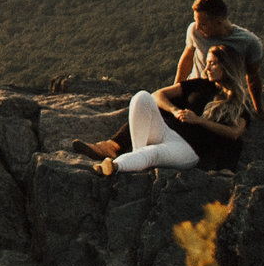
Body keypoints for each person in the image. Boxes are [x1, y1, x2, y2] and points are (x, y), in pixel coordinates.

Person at [73, 48, 253, 175]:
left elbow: (234, 133)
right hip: (166, 129)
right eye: (206, 63)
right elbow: (158, 95)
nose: (206, 68)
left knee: (152, 154)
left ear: (227, 66)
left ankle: (115, 166)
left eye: (212, 64)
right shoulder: (200, 84)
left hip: (188, 149)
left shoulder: (238, 104)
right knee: (142, 97)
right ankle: (134, 157)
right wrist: (174, 110)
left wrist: (199, 121)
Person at [176, 0, 264, 125]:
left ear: (218, 23)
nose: (197, 27)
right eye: (196, 21)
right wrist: (176, 90)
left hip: (224, 98)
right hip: (194, 91)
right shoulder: (194, 31)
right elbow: (187, 60)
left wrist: (259, 110)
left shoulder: (249, 43)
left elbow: (253, 77)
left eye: (203, 24)